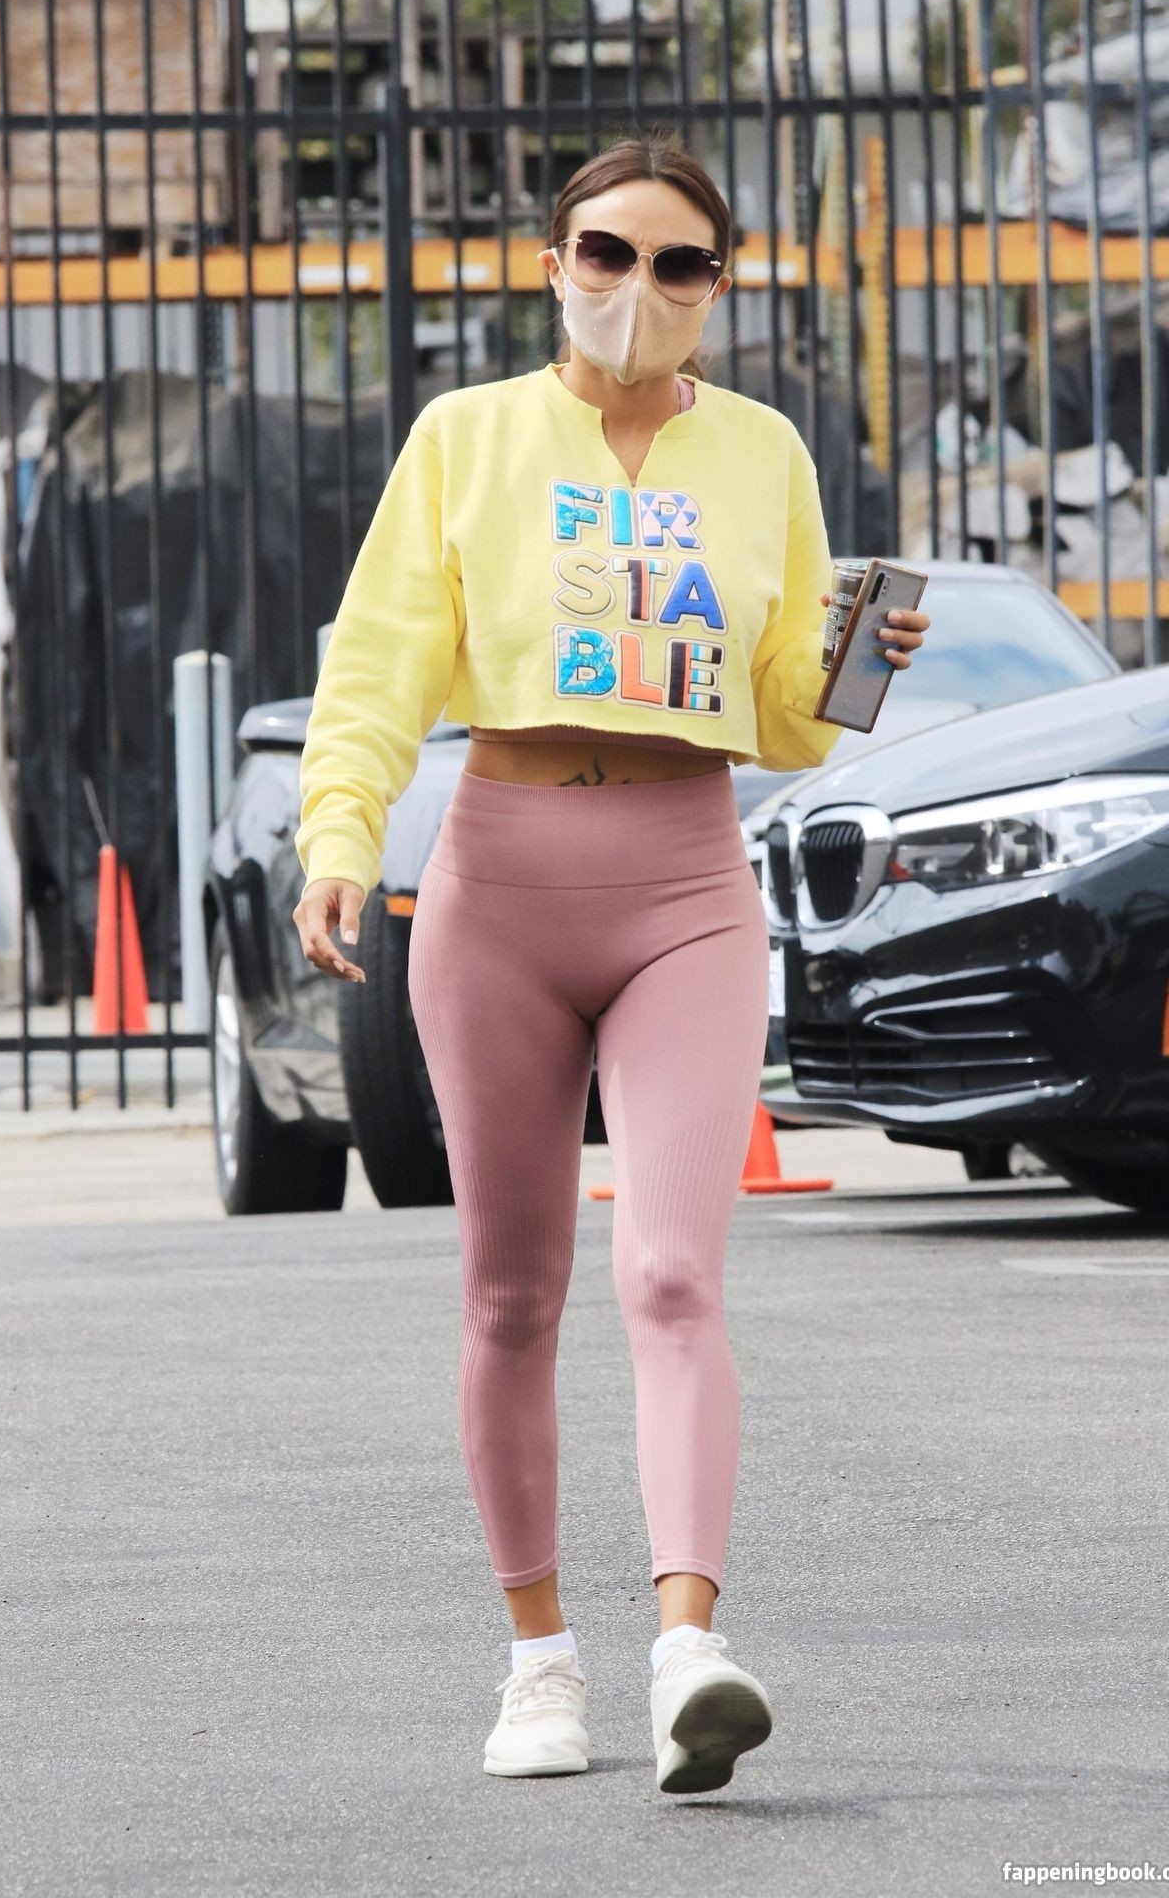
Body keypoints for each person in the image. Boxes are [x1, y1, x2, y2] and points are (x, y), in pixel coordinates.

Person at [293, 136, 929, 1795]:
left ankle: (688, 1652)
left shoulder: (763, 452)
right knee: (511, 1293)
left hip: (686, 887)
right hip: (497, 887)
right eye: (607, 252)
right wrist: (340, 839)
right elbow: (378, 666)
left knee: (671, 1274)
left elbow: (786, 715)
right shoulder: (467, 438)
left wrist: (858, 665)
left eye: (679, 264)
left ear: (720, 286)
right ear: (553, 261)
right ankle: (538, 1666)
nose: (638, 289)